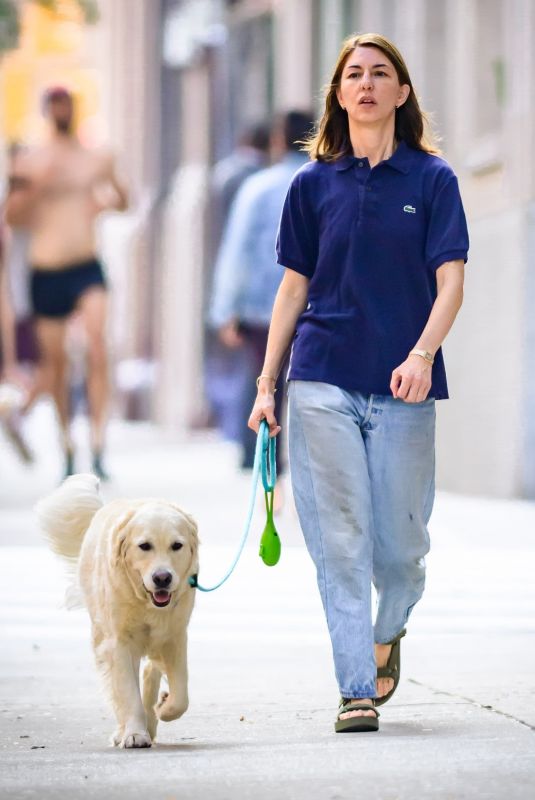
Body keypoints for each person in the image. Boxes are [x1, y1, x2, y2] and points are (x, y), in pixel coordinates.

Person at [248, 33, 468, 733]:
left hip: (403, 385)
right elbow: (291, 290)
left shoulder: (432, 180)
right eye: (354, 75)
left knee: (400, 553)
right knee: (338, 539)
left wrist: (422, 354)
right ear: (337, 94)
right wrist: (265, 384)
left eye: (380, 74)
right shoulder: (311, 185)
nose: (366, 84)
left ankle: (386, 632)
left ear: (401, 93)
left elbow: (451, 281)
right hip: (321, 377)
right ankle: (354, 688)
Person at [4, 87, 128, 479]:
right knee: (55, 363)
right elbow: (12, 218)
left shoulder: (95, 157)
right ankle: (67, 445)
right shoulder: (31, 161)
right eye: (56, 106)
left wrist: (106, 199)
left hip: (86, 264)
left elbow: (124, 200)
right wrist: (37, 186)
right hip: (47, 268)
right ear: (47, 112)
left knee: (97, 344)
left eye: (67, 106)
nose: (63, 112)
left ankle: (98, 441)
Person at [210, 110, 313, 475]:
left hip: (261, 307)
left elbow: (236, 250)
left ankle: (266, 462)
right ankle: (301, 464)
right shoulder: (327, 182)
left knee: (265, 381)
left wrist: (226, 310)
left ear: (277, 140)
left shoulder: (258, 187)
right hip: (316, 307)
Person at [204, 122, 270, 439]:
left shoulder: (230, 176)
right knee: (265, 372)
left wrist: (225, 306)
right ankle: (250, 440)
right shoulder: (257, 181)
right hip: (271, 292)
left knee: (256, 368)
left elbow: (236, 246)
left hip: (252, 294)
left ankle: (245, 440)